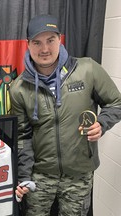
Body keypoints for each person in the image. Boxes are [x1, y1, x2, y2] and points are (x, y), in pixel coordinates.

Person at [10, 14, 121, 215]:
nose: (44, 49)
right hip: (40, 176)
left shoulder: (87, 69)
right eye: (37, 42)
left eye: (50, 40)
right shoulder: (18, 88)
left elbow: (116, 103)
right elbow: (22, 137)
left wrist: (102, 124)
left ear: (60, 39)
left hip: (79, 173)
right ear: (28, 45)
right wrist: (24, 175)